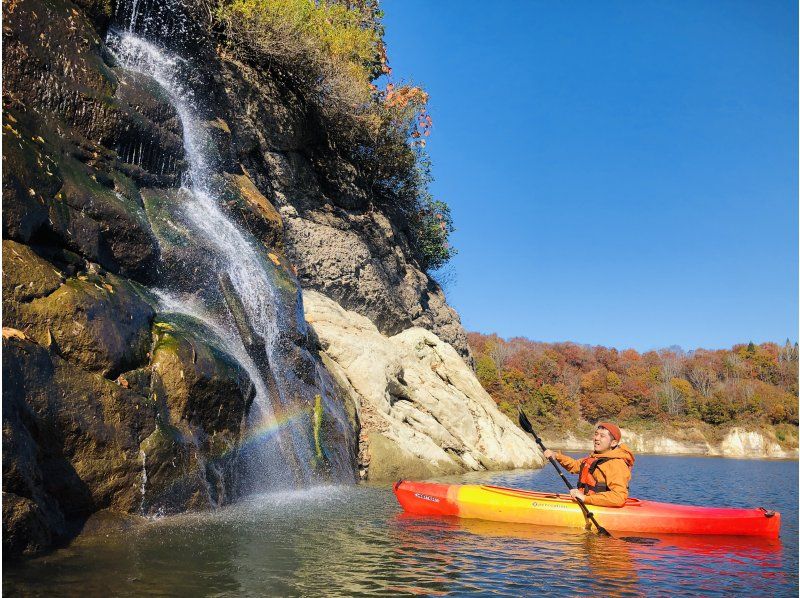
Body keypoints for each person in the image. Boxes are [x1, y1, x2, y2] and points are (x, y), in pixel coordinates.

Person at [543, 422, 635, 507]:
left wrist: (585, 498)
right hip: (588, 502)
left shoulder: (616, 464)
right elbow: (575, 465)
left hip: (599, 507)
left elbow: (618, 497)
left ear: (613, 443)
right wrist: (556, 456)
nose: (596, 438)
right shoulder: (596, 457)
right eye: (596, 434)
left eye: (602, 436)